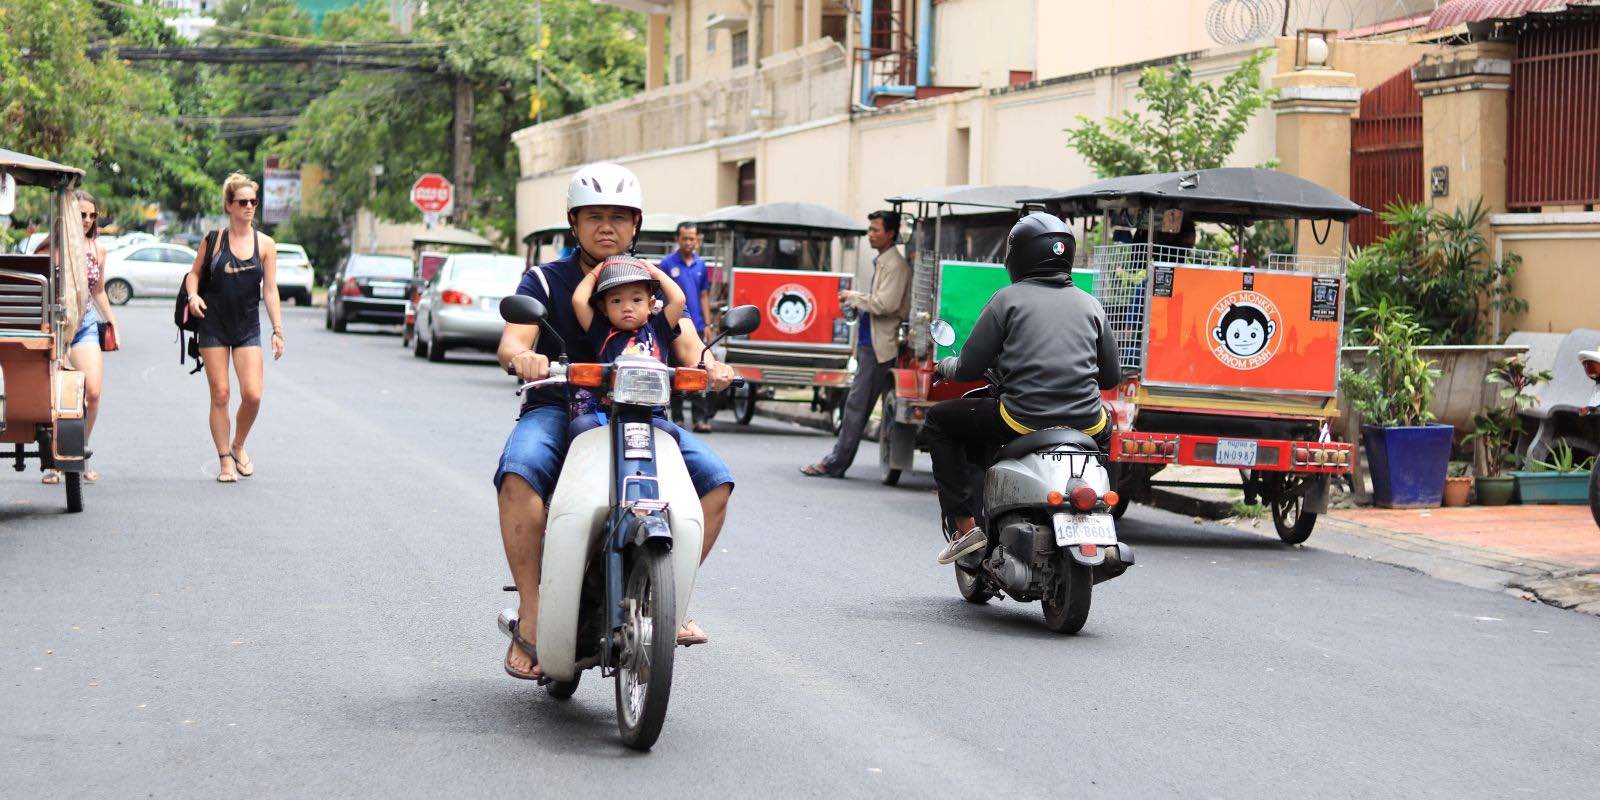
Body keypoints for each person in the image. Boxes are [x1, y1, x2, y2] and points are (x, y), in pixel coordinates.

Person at [494, 162, 736, 680]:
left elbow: (689, 348)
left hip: (642, 412)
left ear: (637, 224)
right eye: (595, 216)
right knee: (519, 474)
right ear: (573, 222)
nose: (607, 227)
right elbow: (513, 340)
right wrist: (524, 358)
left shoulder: (650, 283)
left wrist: (713, 367)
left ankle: (667, 602)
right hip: (560, 406)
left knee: (715, 483)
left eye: (619, 218)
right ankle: (533, 618)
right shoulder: (545, 279)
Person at [930, 213, 1121, 564]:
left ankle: (964, 527)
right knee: (1107, 438)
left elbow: (970, 366)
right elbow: (1110, 377)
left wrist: (944, 366)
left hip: (1022, 419)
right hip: (1087, 423)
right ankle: (1103, 514)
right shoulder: (1091, 304)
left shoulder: (1007, 300)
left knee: (939, 422)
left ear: (1017, 256)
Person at [182, 173, 286, 484]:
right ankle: (225, 461)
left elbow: (270, 290)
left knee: (252, 396)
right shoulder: (213, 240)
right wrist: (193, 295)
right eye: (243, 202)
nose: (249, 206)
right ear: (229, 205)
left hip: (247, 327)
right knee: (221, 394)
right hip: (213, 324)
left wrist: (278, 330)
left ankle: (238, 444)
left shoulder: (265, 245)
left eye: (254, 201)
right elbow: (193, 274)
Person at [800, 210, 911, 478]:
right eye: (870, 229)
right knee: (857, 405)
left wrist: (853, 297)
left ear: (891, 234)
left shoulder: (895, 264)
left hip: (878, 347)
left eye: (876, 230)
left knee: (855, 407)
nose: (871, 234)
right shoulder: (884, 261)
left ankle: (836, 463)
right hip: (870, 343)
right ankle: (838, 460)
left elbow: (886, 304)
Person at [41, 190, 119, 485]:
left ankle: (79, 452)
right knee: (54, 396)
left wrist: (112, 322)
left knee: (93, 393)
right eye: (81, 214)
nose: (87, 220)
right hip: (53, 326)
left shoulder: (98, 249)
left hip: (84, 323)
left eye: (92, 215)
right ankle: (54, 459)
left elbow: (98, 290)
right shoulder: (50, 248)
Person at [567, 256, 687, 437]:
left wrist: (652, 270)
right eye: (616, 301)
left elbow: (678, 299)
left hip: (652, 415)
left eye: (637, 299)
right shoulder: (601, 332)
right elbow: (579, 301)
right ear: (604, 308)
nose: (627, 307)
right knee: (580, 426)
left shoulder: (658, 329)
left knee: (670, 433)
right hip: (608, 413)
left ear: (651, 305)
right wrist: (597, 270)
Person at [660, 222, 714, 432]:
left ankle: (700, 419)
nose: (689, 242)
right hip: (675, 325)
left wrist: (708, 323)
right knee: (677, 371)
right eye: (685, 238)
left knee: (699, 371)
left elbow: (704, 295)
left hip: (697, 326)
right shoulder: (666, 264)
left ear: (697, 240)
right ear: (677, 239)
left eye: (693, 238)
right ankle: (678, 418)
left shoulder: (701, 265)